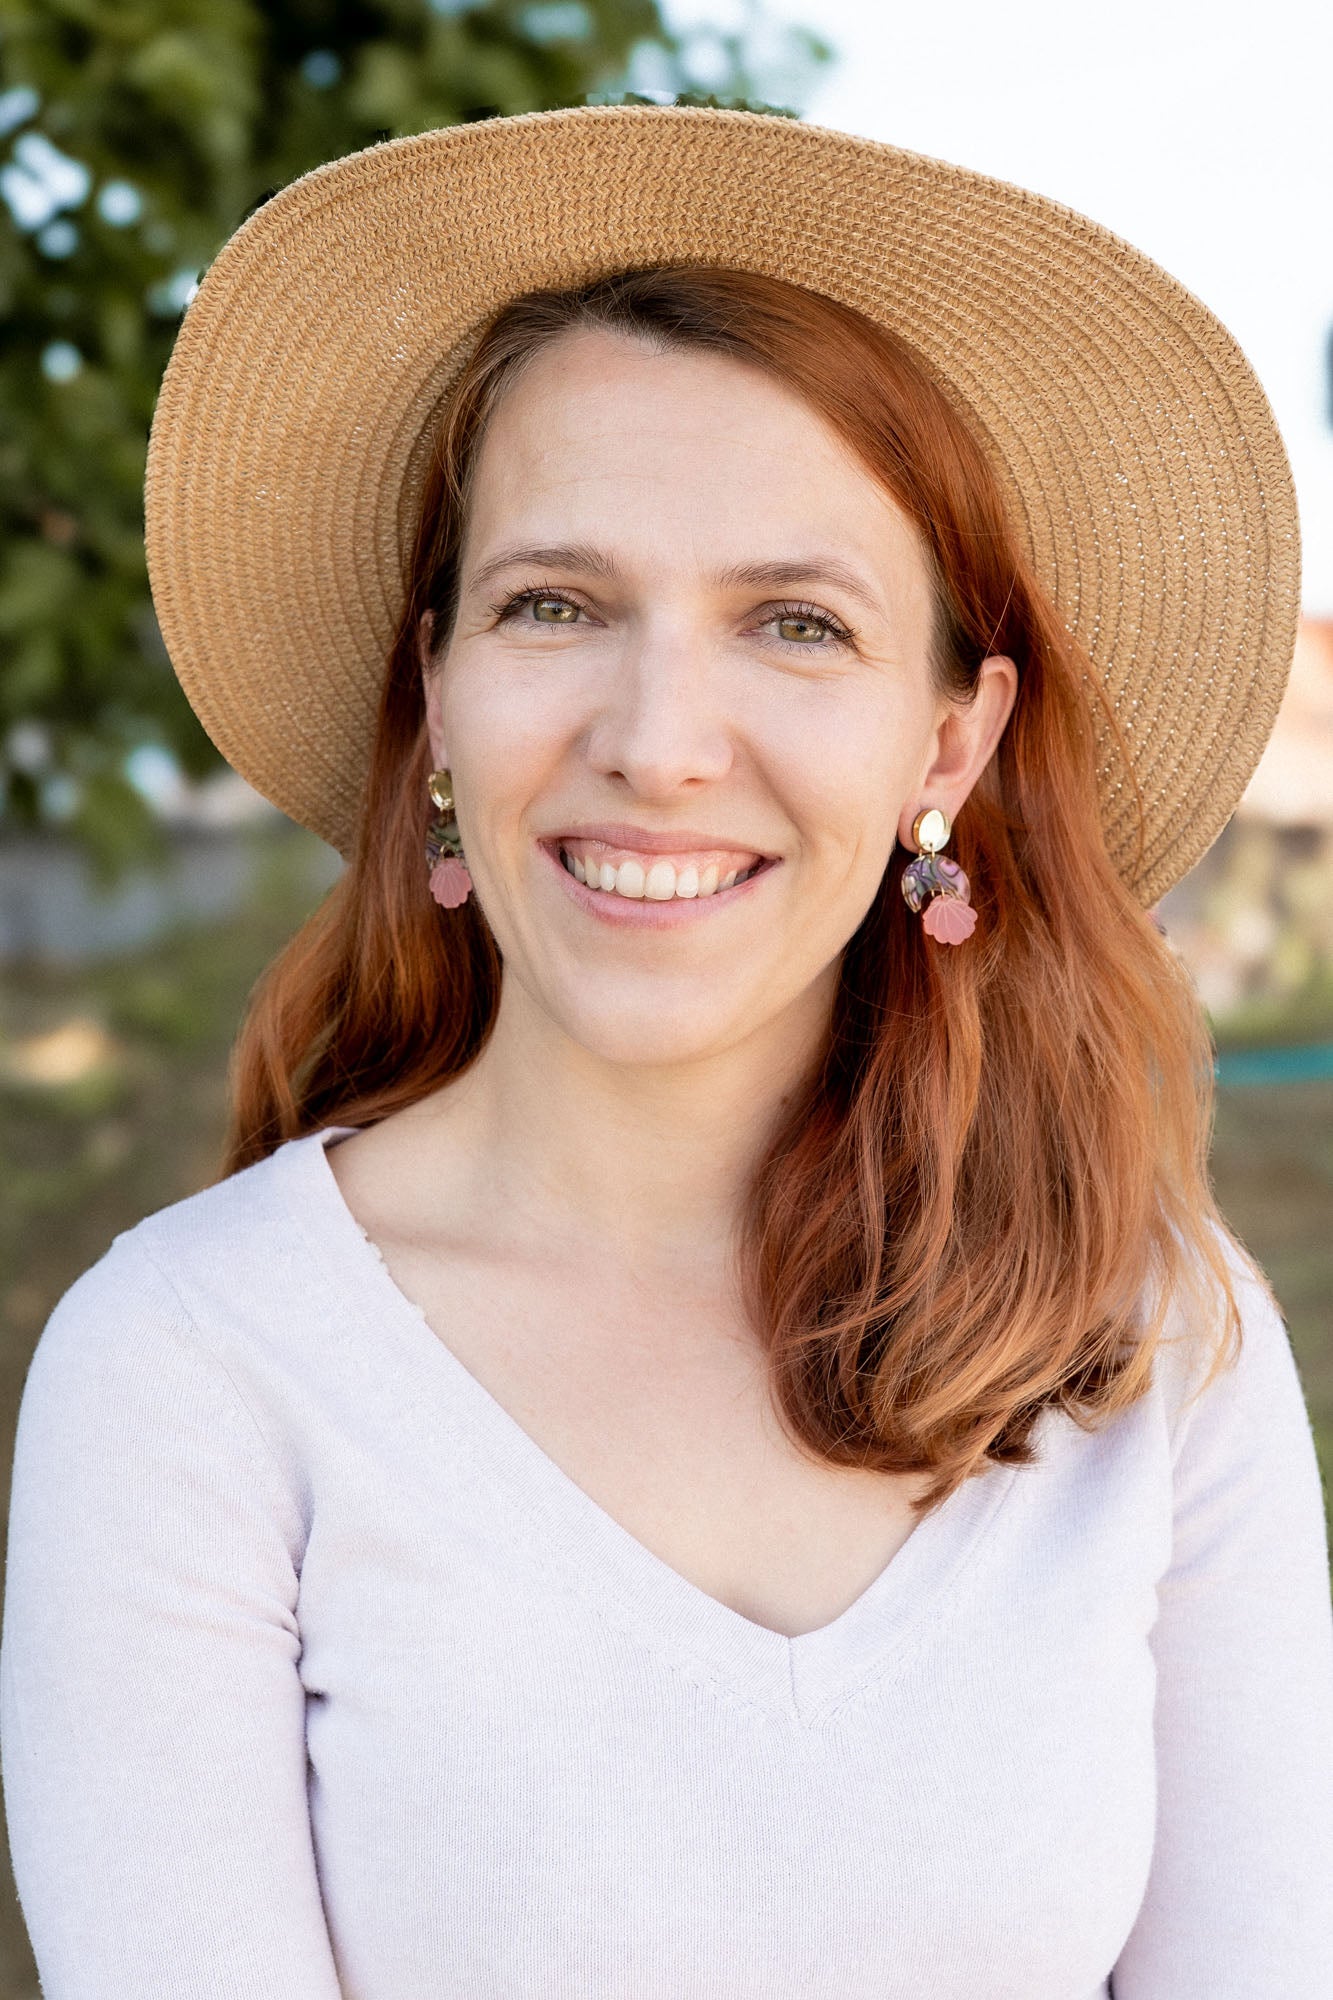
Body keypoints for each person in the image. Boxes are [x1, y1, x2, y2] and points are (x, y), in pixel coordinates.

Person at [1, 100, 1330, 2000]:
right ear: (435, 690)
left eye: (795, 623)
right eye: (557, 605)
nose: (661, 737)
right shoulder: (196, 1372)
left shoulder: (1157, 1348)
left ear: (945, 745)